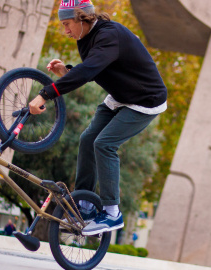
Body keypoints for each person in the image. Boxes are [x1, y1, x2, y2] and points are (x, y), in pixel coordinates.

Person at [29, 0, 167, 236]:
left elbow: (90, 68)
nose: (66, 31)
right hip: (120, 96)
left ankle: (112, 213)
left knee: (104, 144)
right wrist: (67, 73)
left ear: (83, 18)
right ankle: (84, 208)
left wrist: (45, 94)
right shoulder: (87, 38)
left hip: (145, 100)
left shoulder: (109, 35)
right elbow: (94, 70)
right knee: (87, 139)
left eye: (67, 24)